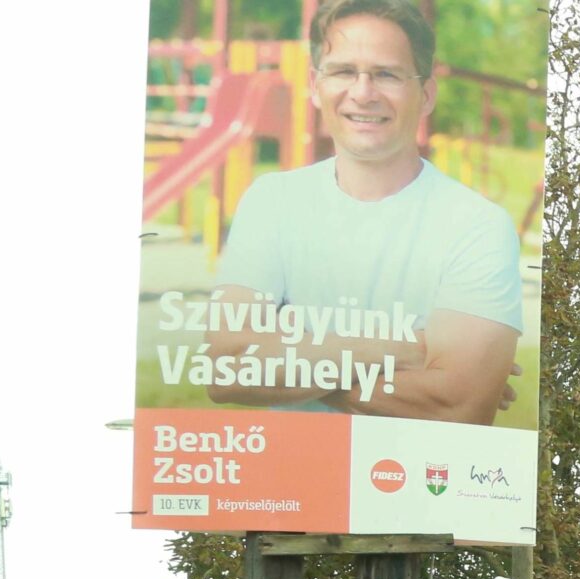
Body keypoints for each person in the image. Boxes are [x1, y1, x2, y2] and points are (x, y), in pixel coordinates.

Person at [201, 0, 522, 422]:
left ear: (426, 94)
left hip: (414, 481)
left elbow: (459, 403)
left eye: (386, 74)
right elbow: (227, 369)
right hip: (285, 481)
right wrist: (405, 349)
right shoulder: (272, 201)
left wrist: (291, 356)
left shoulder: (478, 226)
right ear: (316, 85)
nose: (363, 93)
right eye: (343, 71)